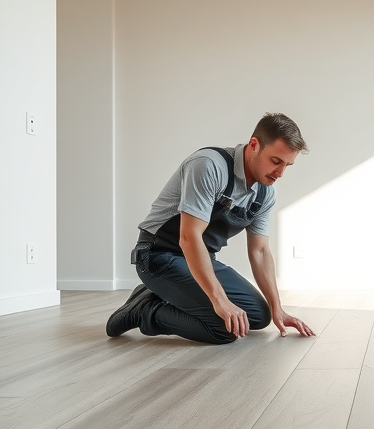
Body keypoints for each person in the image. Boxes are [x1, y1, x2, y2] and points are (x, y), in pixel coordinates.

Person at [105, 113, 315, 344]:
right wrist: (220, 301)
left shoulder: (265, 193)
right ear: (254, 145)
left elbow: (260, 251)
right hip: (159, 255)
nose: (280, 173)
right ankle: (145, 311)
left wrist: (278, 309)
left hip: (199, 260)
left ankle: (163, 293)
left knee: (258, 316)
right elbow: (189, 237)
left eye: (287, 165)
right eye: (276, 161)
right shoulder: (208, 165)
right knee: (225, 329)